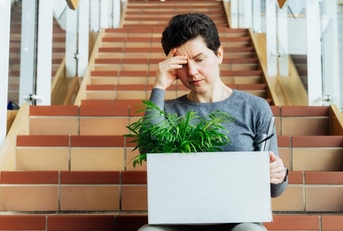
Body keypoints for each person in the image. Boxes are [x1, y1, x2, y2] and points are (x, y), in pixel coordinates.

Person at [137, 13, 288, 231]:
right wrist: (159, 86)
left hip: (238, 222)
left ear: (218, 54)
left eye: (199, 60)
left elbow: (274, 190)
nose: (192, 72)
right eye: (182, 64)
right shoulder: (168, 111)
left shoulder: (254, 108)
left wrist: (278, 174)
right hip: (178, 223)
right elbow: (146, 149)